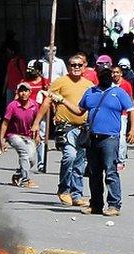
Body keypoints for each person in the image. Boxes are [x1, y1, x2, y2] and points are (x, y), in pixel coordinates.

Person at [52, 61, 134, 216]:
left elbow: (132, 110)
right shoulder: (90, 92)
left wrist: (132, 130)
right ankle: (96, 205)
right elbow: (79, 110)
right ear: (98, 77)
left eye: (109, 74)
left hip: (110, 138)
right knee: (94, 173)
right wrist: (62, 100)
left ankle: (114, 205)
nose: (107, 76)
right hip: (93, 138)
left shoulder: (118, 93)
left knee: (111, 171)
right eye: (103, 74)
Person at [32, 55, 93, 205]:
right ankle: (64, 189)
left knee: (80, 162)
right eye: (73, 65)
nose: (76, 68)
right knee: (70, 156)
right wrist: (36, 123)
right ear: (69, 66)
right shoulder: (60, 82)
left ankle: (77, 194)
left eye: (79, 65)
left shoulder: (89, 85)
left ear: (84, 66)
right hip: (66, 126)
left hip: (84, 128)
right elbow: (47, 101)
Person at [0, 83, 40, 188]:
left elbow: (36, 122)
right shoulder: (13, 106)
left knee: (32, 159)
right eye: (21, 91)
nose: (23, 93)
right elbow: (5, 123)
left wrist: (37, 135)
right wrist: (2, 139)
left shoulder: (34, 105)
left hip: (28, 136)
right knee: (24, 153)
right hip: (13, 135)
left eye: (26, 91)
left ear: (30, 92)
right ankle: (25, 180)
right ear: (18, 92)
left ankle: (18, 175)